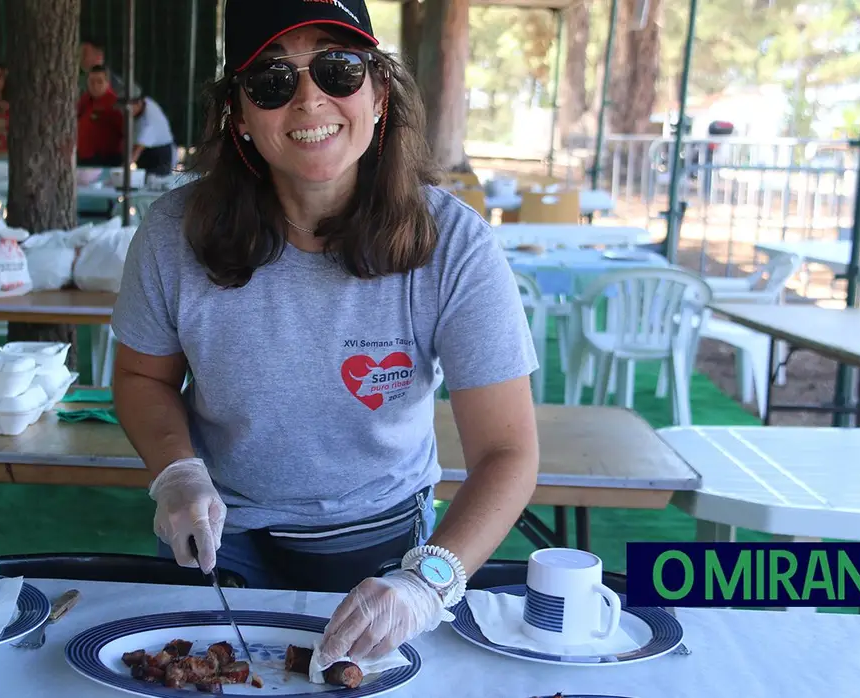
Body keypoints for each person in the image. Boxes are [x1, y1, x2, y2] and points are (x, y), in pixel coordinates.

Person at [111, 0, 539, 668]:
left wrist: (427, 582)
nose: (310, 100)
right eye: (274, 81)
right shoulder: (174, 233)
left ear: (378, 93)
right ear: (240, 116)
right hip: (216, 540)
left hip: (386, 543)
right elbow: (142, 378)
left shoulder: (454, 244)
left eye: (338, 70)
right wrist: (177, 471)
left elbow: (509, 451)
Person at [77, 66, 123, 166]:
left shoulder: (115, 103)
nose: (95, 85)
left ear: (107, 83)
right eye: (91, 82)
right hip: (84, 157)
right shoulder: (85, 99)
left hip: (105, 159)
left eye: (99, 81)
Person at [128, 95, 175, 177]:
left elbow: (135, 153)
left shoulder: (148, 123)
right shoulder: (146, 101)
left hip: (158, 156)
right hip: (150, 152)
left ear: (138, 103)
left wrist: (121, 172)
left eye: (129, 108)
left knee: (154, 183)